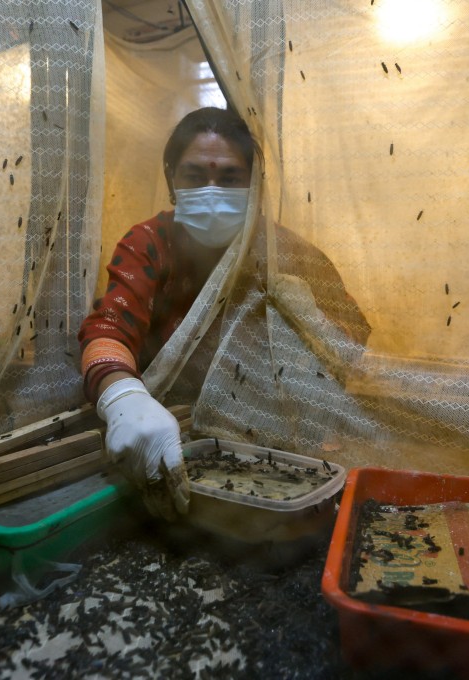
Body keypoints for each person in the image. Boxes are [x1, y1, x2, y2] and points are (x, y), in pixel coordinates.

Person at [78, 107, 369, 520]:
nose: (211, 190)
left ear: (253, 185)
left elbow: (353, 338)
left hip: (270, 435)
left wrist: (314, 323)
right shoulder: (150, 242)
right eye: (195, 176)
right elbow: (109, 328)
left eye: (229, 178)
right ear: (172, 180)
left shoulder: (285, 251)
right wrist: (124, 398)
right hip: (167, 428)